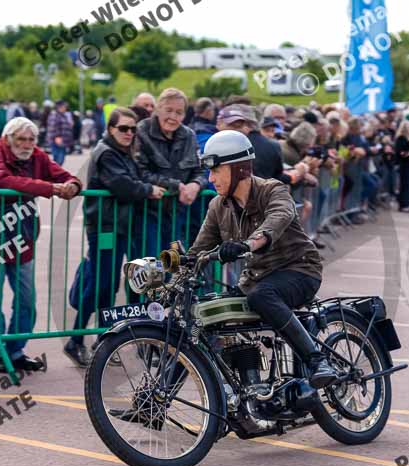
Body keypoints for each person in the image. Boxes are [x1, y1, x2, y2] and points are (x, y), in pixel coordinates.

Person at [188, 130, 337, 390]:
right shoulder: (217, 206)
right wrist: (174, 265)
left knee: (261, 296)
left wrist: (248, 244)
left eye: (216, 171)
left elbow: (275, 221)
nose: (211, 179)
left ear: (239, 170)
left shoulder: (273, 190)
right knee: (204, 315)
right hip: (256, 278)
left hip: (299, 270)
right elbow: (198, 250)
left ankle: (317, 360)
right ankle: (157, 401)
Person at [0, 117, 82, 372]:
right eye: (21, 139)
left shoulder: (38, 156)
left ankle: (15, 349)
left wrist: (74, 185)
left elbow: (66, 176)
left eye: (31, 139)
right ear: (8, 138)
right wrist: (51, 188)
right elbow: (1, 180)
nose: (26, 144)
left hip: (23, 238)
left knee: (27, 299)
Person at [64, 108, 165, 366]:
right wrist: (148, 189)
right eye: (123, 128)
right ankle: (77, 339)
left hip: (120, 227)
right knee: (101, 283)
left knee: (111, 284)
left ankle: (103, 340)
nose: (129, 133)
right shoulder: (107, 153)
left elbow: (135, 177)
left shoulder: (123, 153)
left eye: (133, 129)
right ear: (110, 129)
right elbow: (122, 185)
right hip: (106, 228)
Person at [134, 88, 205, 251]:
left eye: (179, 112)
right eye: (169, 110)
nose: (173, 117)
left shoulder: (189, 135)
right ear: (158, 109)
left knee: (172, 268)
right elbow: (139, 172)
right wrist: (175, 185)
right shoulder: (141, 131)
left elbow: (200, 170)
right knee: (149, 266)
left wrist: (196, 184)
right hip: (146, 212)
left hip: (176, 214)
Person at [394, 120, 409, 213]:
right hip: (404, 164)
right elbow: (401, 152)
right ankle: (403, 205)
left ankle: (408, 203)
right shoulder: (401, 138)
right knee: (405, 185)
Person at [47, 100, 74, 165]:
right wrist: (57, 136)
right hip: (57, 140)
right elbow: (53, 127)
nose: (65, 108)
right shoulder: (55, 115)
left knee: (61, 159)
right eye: (64, 106)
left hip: (63, 140)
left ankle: (55, 173)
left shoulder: (63, 115)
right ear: (59, 107)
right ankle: (54, 173)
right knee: (58, 159)